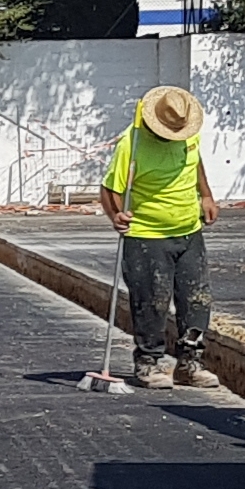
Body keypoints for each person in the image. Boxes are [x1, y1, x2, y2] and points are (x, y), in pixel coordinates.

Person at [97, 82, 219, 387]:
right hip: (147, 235)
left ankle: (190, 363)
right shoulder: (132, 144)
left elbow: (195, 163)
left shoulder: (188, 136)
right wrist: (117, 215)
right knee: (151, 301)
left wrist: (205, 195)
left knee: (197, 300)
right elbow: (110, 187)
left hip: (189, 231)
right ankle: (148, 362)